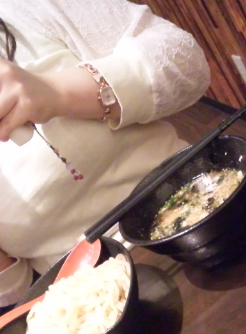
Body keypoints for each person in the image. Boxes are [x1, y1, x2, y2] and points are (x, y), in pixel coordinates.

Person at [0, 0, 210, 307]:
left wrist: (56, 93)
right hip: (92, 305)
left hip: (198, 213)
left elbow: (187, 63)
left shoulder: (24, 8)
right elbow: (15, 288)